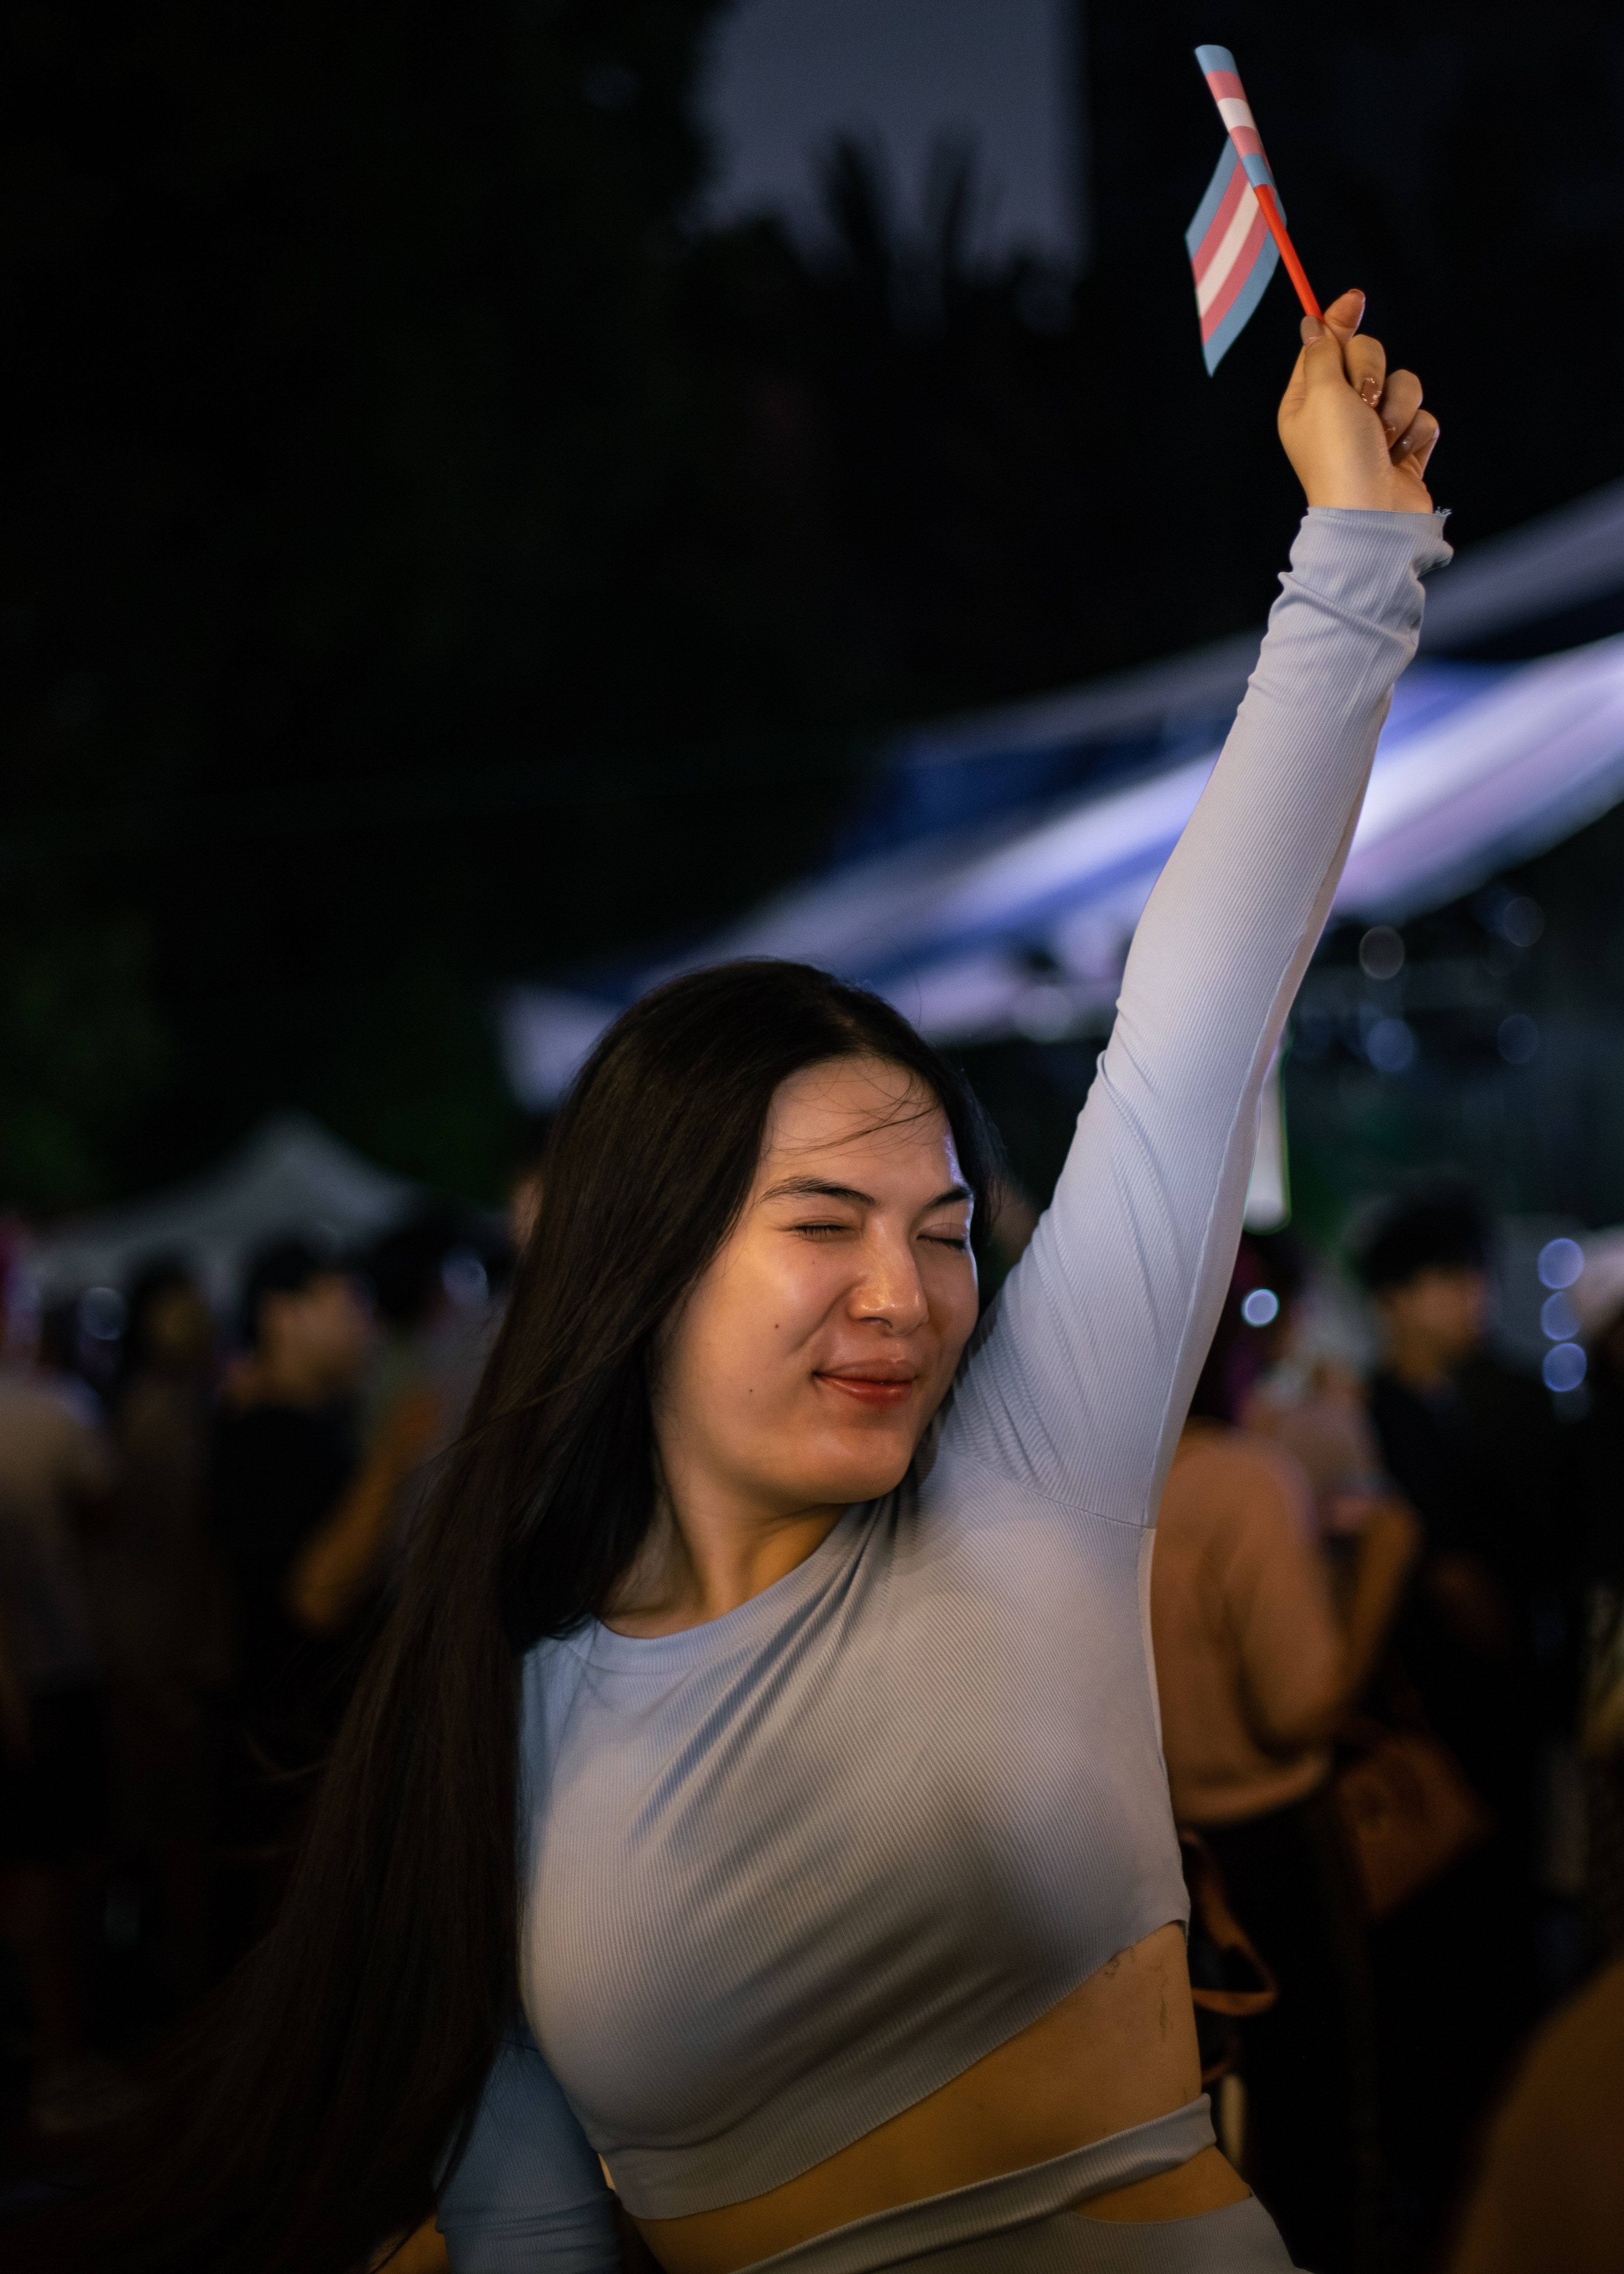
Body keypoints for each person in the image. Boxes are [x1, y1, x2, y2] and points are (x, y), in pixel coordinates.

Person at [14, 294, 1447, 2274]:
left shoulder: (1027, 1480)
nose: (907, 1293)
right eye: (824, 1226)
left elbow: (1194, 1023)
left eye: (945, 1232)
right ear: (646, 1265)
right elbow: (522, 2225)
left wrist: (1352, 562)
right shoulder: (505, 1718)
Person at [1152, 1245, 1417, 2274]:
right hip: (1267, 1838)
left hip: (1144, 1844)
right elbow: (1297, 1708)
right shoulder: (1243, 1483)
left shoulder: (1068, 1493)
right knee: (1316, 2099)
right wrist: (1381, 1570)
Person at [208, 1238, 373, 1961]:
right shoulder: (264, 1440)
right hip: (291, 1753)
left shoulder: (311, 1428)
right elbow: (316, 1599)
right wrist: (401, 1456)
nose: (362, 1326)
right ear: (283, 1316)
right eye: (344, 1304)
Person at [0, 1271, 119, 2131]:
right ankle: (61, 2061)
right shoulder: (57, 1408)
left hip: (33, 1671)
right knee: (54, 1868)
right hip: (51, 1671)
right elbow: (104, 1516)